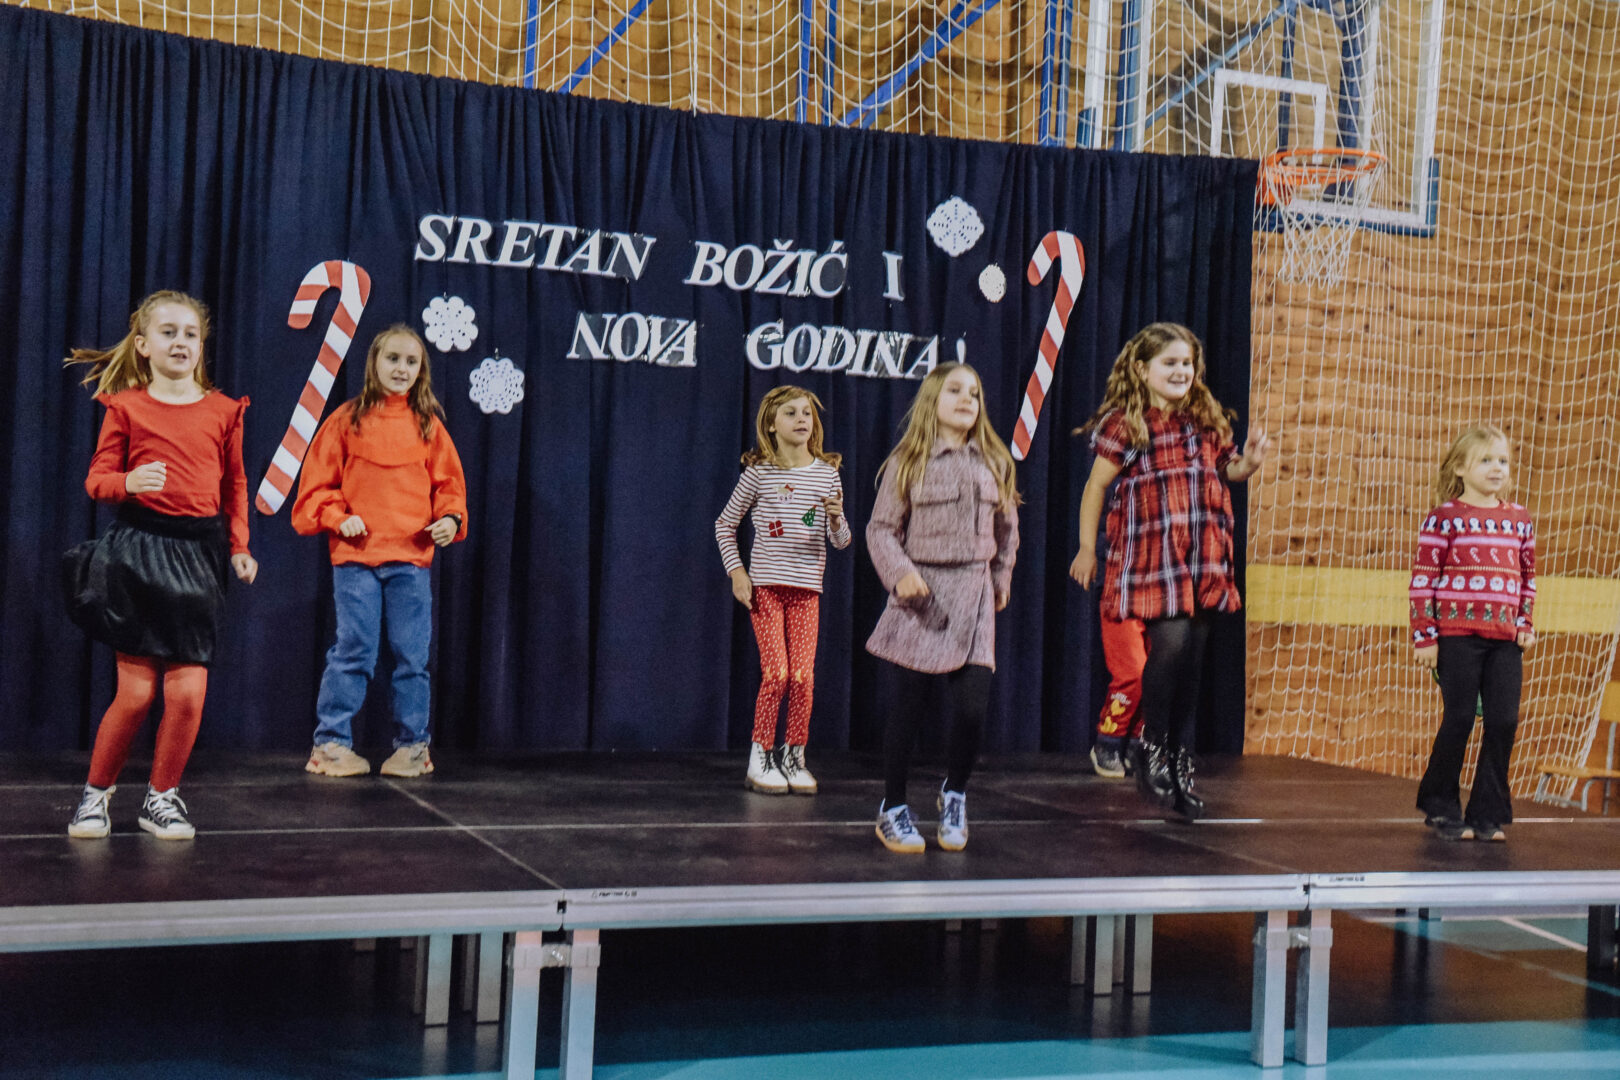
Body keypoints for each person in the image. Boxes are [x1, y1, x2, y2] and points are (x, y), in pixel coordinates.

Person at [63, 291, 258, 840]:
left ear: (202, 345)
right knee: (136, 695)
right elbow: (97, 480)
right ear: (144, 345)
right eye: (168, 332)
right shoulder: (127, 407)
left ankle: (162, 798)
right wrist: (128, 481)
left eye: (191, 334)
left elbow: (235, 485)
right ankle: (95, 796)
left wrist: (239, 546)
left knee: (187, 694)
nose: (181, 342)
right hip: (140, 554)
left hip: (198, 558)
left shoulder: (224, 411)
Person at [1071, 323, 1268, 820]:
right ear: (1142, 370)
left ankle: (1178, 762)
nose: (1182, 371)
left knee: (1192, 662)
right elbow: (1096, 487)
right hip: (1154, 558)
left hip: (1202, 556)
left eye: (1187, 363)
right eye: (1170, 363)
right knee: (1172, 643)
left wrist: (1249, 463)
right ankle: (1151, 746)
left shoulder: (1204, 420)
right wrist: (1087, 548)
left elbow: (1228, 470)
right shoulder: (1127, 424)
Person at [292, 325, 467, 779]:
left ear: (421, 370)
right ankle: (330, 744)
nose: (401, 369)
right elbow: (315, 489)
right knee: (354, 649)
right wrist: (338, 516)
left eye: (411, 362)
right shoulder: (346, 420)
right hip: (357, 561)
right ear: (373, 362)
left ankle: (412, 747)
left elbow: (449, 486)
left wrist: (450, 520)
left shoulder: (428, 425)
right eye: (393, 359)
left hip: (410, 560)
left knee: (411, 657)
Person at [866, 363, 1019, 853]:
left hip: (974, 594)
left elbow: (1007, 532)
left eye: (974, 392)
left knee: (972, 710)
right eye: (955, 390)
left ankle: (954, 794)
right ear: (933, 399)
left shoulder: (994, 461)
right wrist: (900, 573)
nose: (967, 399)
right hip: (923, 596)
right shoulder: (908, 460)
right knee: (908, 708)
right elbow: (880, 529)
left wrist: (1000, 579)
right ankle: (893, 806)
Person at [716, 386, 852, 794]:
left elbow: (842, 541)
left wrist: (836, 519)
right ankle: (760, 754)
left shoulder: (827, 475)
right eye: (790, 413)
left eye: (806, 413)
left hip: (806, 591)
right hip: (767, 590)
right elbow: (725, 524)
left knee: (803, 677)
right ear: (772, 425)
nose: (801, 420)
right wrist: (737, 572)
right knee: (776, 673)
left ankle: (794, 755)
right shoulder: (759, 474)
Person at [1410, 424, 1535, 842]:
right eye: (1486, 460)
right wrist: (1425, 636)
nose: (1497, 468)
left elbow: (1528, 579)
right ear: (1461, 468)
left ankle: (1487, 812)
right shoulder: (1444, 518)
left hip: (1504, 639)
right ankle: (1440, 804)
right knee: (1460, 717)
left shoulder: (1518, 520)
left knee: (1503, 720)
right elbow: (1423, 580)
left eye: (1502, 461)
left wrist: (1524, 624)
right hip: (1458, 636)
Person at [1091, 615, 1147, 778]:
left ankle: (1134, 743)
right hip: (1123, 603)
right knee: (1132, 673)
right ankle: (1108, 741)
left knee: (1155, 672)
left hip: (1164, 604)